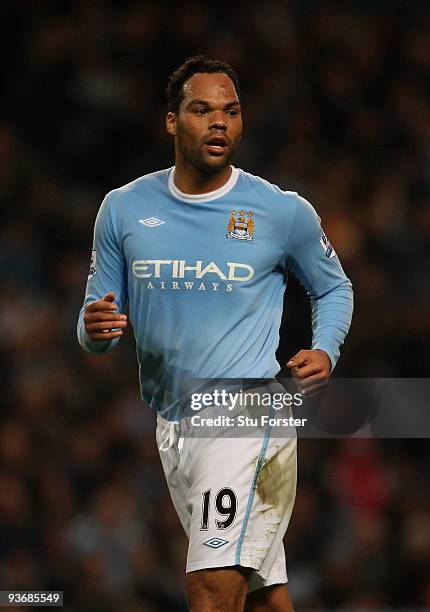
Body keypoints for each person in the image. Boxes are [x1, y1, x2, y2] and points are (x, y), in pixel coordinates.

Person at [77, 55, 353, 612]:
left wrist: (325, 348)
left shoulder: (281, 211)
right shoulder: (123, 209)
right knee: (264, 596)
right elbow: (97, 322)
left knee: (210, 588)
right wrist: (93, 330)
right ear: (173, 121)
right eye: (202, 110)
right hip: (172, 421)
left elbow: (334, 289)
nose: (220, 122)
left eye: (231, 111)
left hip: (244, 418)